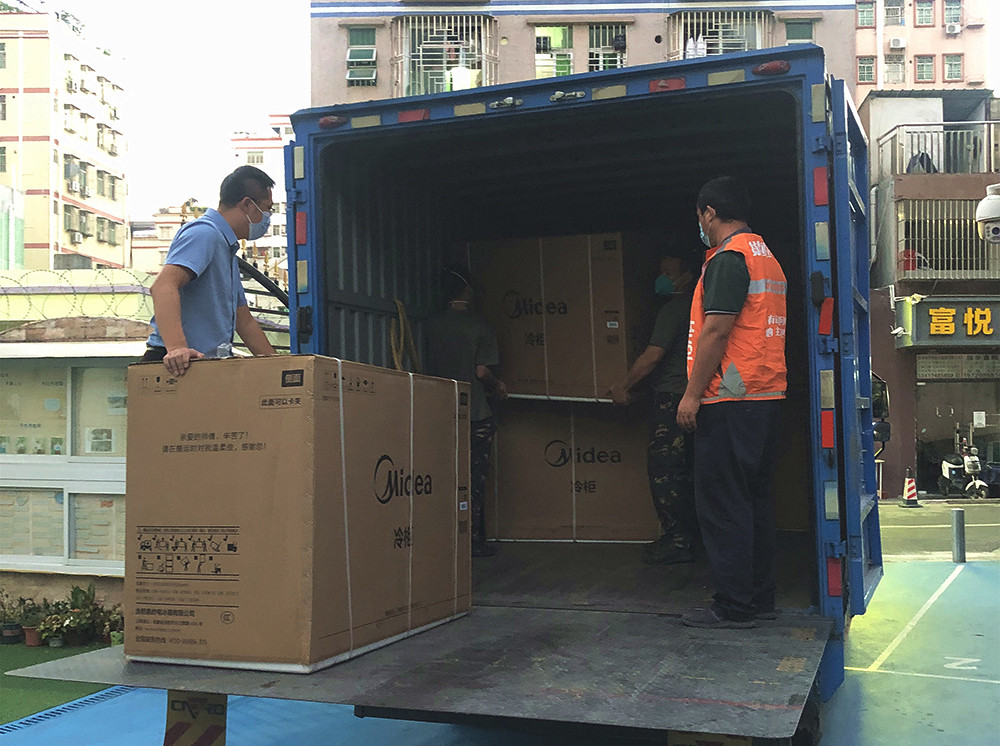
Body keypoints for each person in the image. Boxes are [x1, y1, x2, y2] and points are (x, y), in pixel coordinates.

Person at [677, 176, 787, 629]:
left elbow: (717, 330)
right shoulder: (765, 256)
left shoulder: (729, 258)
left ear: (709, 213)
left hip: (729, 396)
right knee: (753, 501)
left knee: (724, 505)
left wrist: (691, 395)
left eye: (700, 217)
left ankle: (734, 605)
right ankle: (759, 598)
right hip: (764, 394)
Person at [607, 248, 698, 565]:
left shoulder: (673, 310)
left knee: (666, 470)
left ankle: (679, 540)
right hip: (693, 398)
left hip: (672, 399)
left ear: (686, 276)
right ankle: (690, 537)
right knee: (687, 469)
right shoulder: (699, 306)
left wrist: (623, 385)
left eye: (669, 272)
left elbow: (653, 355)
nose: (662, 278)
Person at [143, 166, 277, 375]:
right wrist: (177, 348)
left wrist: (279, 367)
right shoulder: (205, 233)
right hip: (177, 364)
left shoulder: (226, 248)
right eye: (267, 208)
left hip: (202, 364)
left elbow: (245, 322)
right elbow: (163, 286)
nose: (268, 217)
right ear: (247, 204)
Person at [424, 265, 508, 557]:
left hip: (438, 411)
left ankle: (441, 537)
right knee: (473, 478)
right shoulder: (479, 326)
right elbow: (482, 372)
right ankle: (471, 539)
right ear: (468, 291)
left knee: (442, 475)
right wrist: (498, 385)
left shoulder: (431, 325)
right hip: (475, 413)